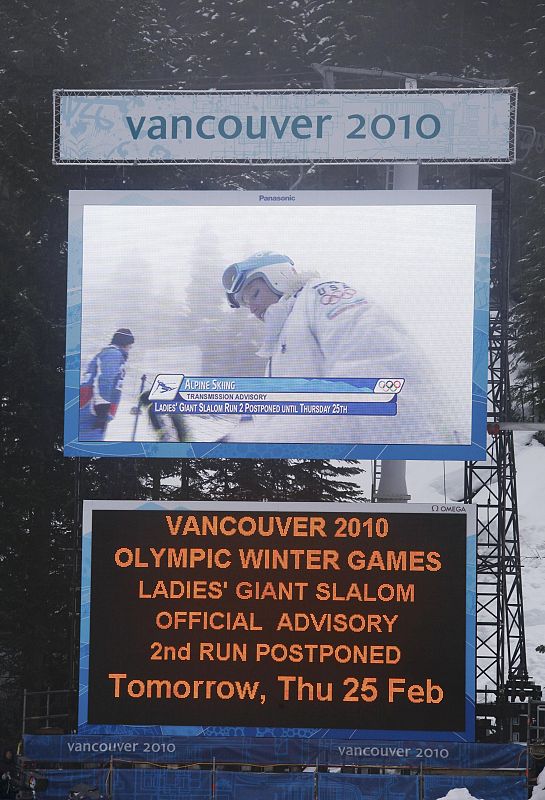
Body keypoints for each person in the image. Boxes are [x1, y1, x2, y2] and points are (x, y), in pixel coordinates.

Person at [221, 251, 458, 445]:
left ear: (278, 277)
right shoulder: (280, 346)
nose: (251, 307)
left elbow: (374, 373)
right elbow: (273, 416)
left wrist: (255, 440)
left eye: (254, 294)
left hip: (408, 445)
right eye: (245, 303)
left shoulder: (322, 294)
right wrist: (243, 432)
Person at [79, 328, 134, 441]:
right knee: (89, 445)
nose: (130, 349)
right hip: (92, 410)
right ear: (124, 343)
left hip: (93, 409)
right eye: (130, 345)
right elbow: (104, 379)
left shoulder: (111, 354)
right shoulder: (113, 354)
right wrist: (102, 411)